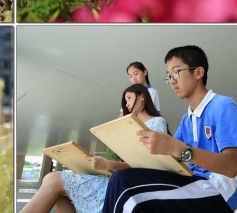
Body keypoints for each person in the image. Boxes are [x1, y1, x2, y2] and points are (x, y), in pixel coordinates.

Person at [102, 45, 237, 213]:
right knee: (121, 180)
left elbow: (231, 167)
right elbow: (172, 160)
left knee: (126, 188)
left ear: (198, 73)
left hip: (220, 192)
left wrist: (177, 148)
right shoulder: (187, 119)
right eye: (168, 76)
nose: (172, 80)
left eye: (176, 72)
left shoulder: (223, 106)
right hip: (193, 183)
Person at [21, 85, 168, 213]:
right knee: (51, 181)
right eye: (125, 101)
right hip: (118, 178)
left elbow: (148, 165)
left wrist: (108, 165)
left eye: (129, 98)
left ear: (142, 96)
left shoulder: (157, 122)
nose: (127, 104)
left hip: (129, 184)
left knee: (52, 180)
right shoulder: (130, 125)